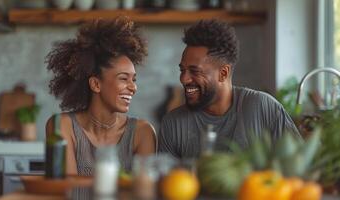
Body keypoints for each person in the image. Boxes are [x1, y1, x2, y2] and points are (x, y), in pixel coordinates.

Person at [158, 19, 301, 159]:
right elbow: (168, 181)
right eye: (182, 70)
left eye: (195, 71)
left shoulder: (263, 108)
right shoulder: (173, 124)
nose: (184, 79)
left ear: (223, 73)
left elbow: (299, 167)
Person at [45, 17, 156, 175]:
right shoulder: (61, 125)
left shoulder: (143, 132)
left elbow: (144, 193)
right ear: (96, 84)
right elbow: (66, 190)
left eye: (134, 79)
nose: (133, 87)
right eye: (124, 78)